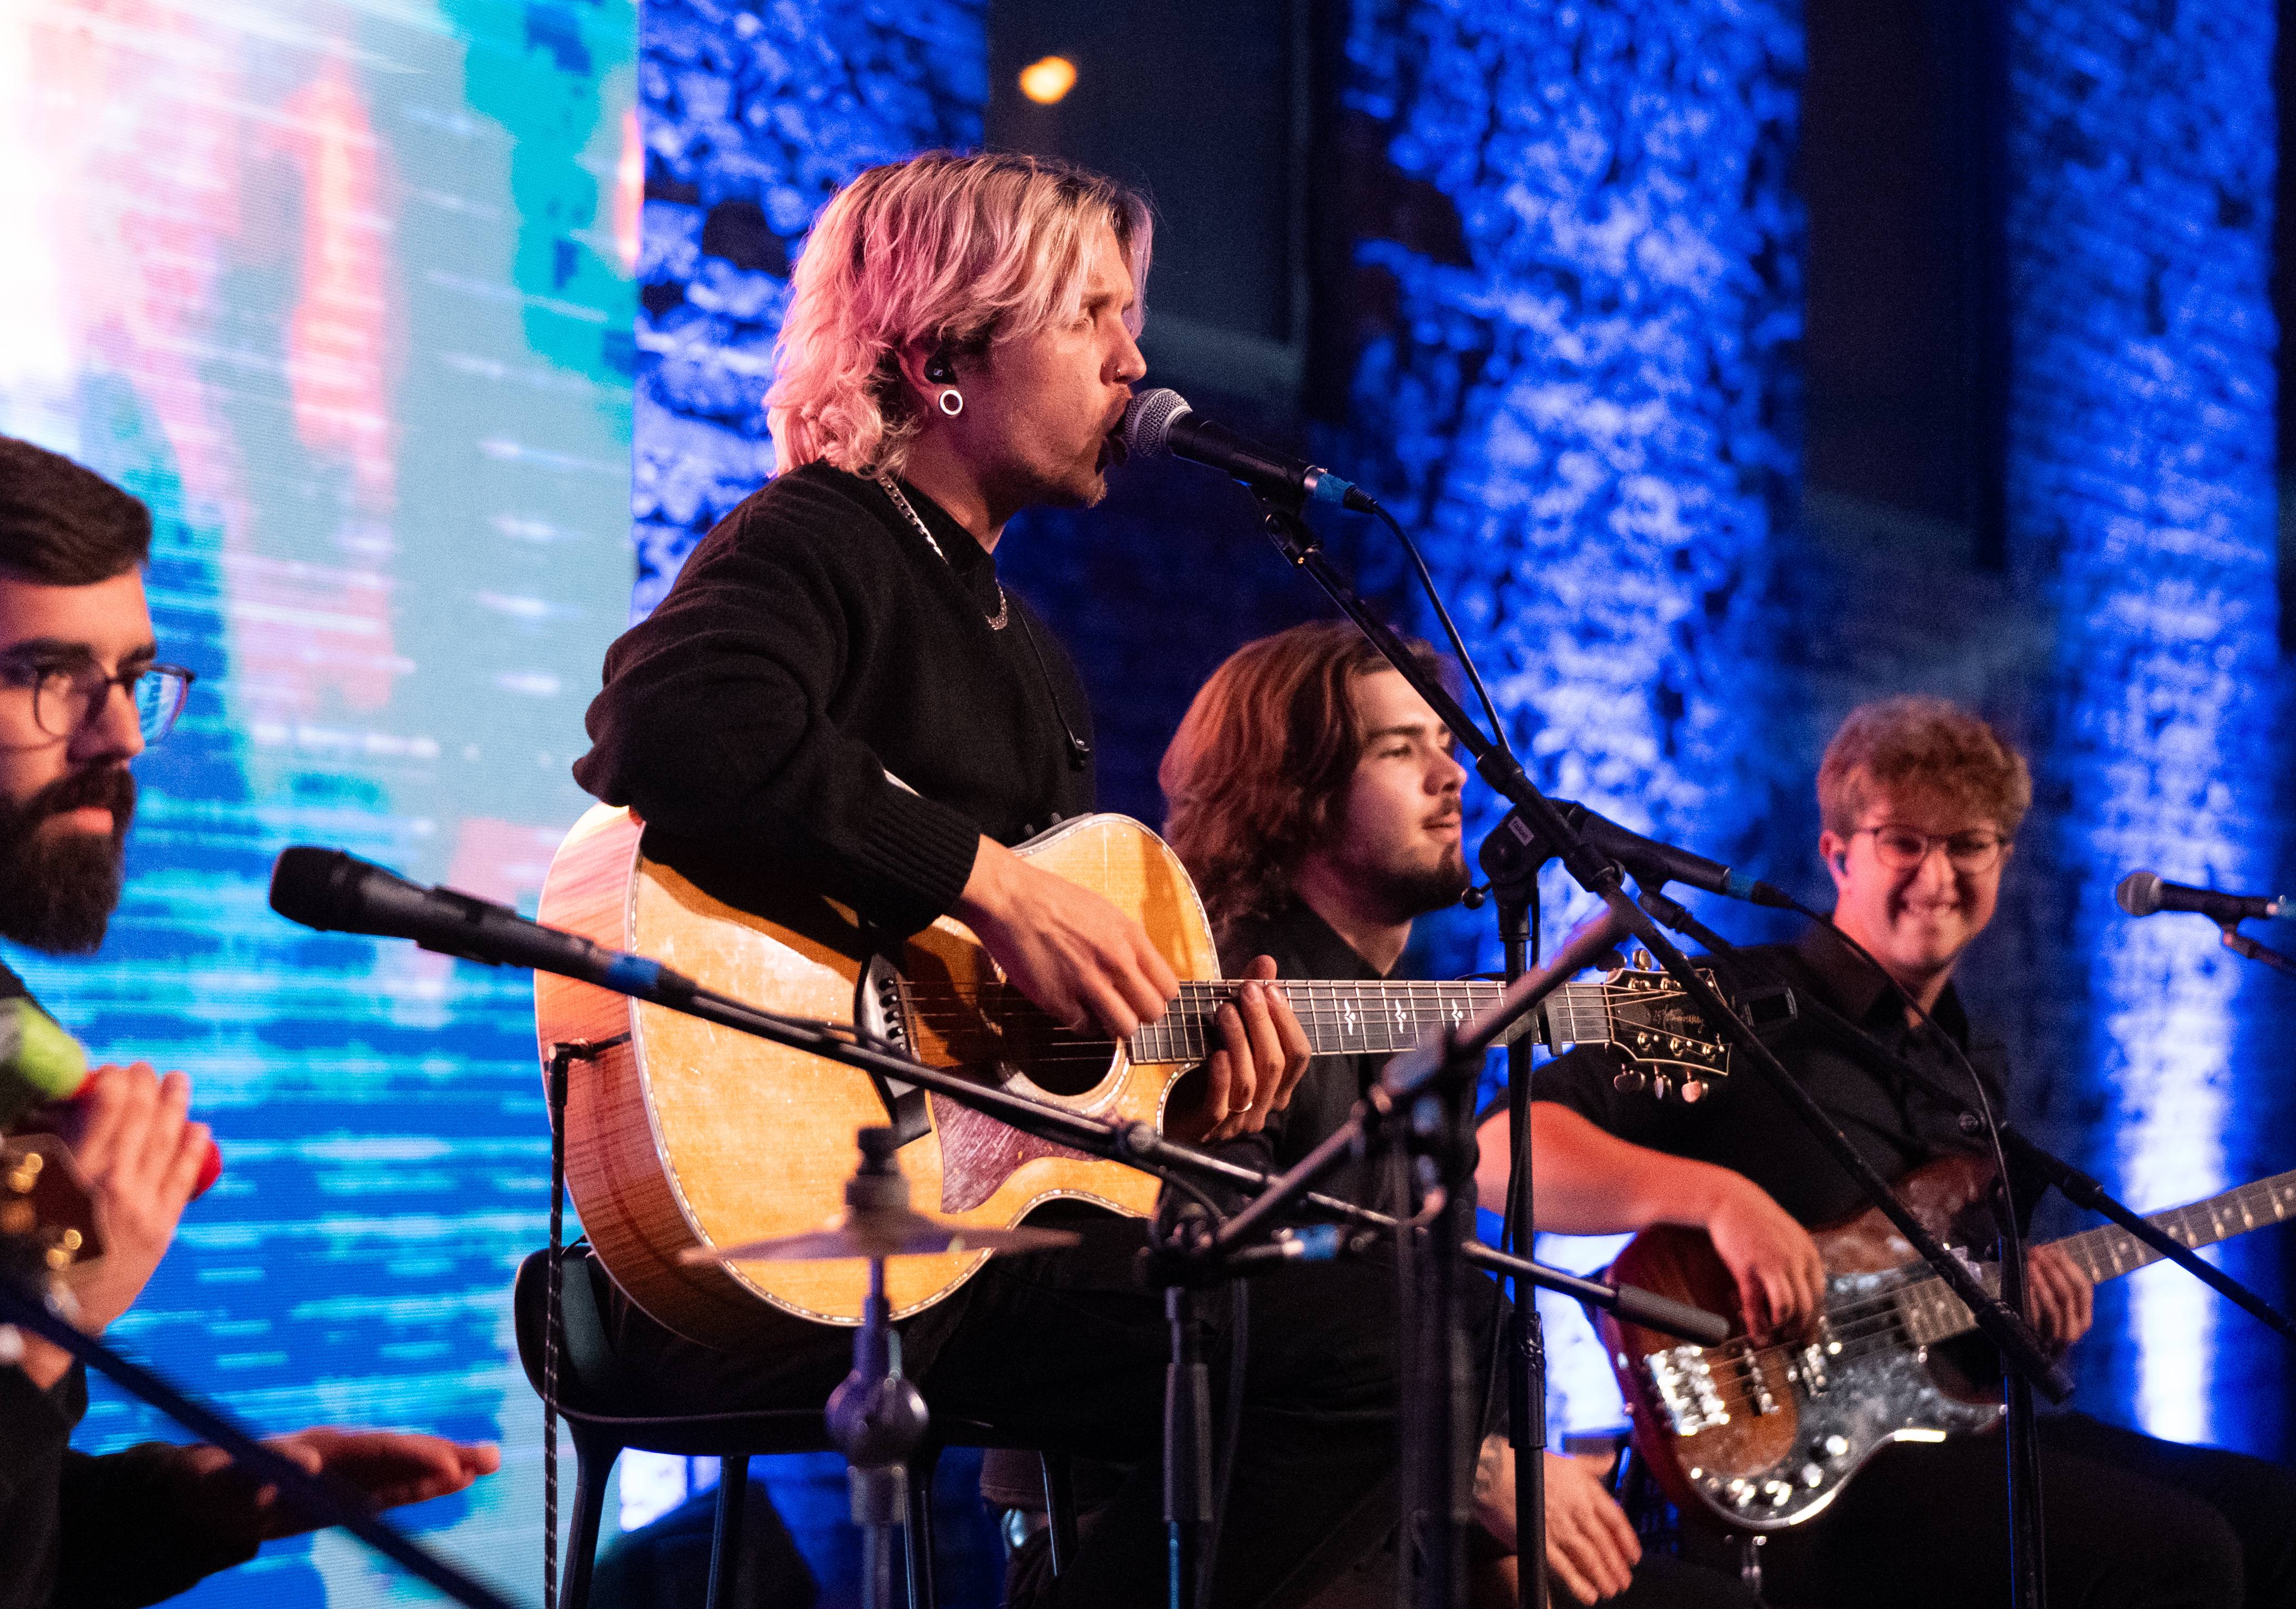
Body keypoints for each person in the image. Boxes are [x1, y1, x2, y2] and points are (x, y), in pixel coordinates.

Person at [570, 151, 1432, 1608]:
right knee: (1374, 1349)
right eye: (1092, 314)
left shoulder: (1027, 651)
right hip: (801, 1233)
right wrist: (987, 885)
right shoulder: (823, 537)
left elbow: (1028, 1082)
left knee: (1374, 1311)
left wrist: (1173, 1107)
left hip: (978, 1239)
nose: (1135, 360)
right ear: (942, 358)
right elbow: (668, 719)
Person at [1478, 695, 2296, 1608]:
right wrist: (1717, 1200)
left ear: (2003, 859)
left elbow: (1939, 1338)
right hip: (1788, 1474)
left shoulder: (1970, 1071)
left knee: (2271, 1514)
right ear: (1839, 854)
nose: (1937, 876)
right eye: (1904, 842)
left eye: (1968, 845)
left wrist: (2019, 1316)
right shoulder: (1729, 1002)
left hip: (1934, 1436)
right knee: (2184, 1556)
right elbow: (1500, 1151)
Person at [0, 431, 499, 1607]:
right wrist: (53, 1314)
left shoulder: (7, 1042)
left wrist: (189, 1507)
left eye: (131, 677)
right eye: (46, 673)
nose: (119, 736)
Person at [1149, 619, 1748, 1609]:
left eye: (1445, 743)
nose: (1452, 777)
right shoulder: (1231, 1001)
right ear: (1294, 795)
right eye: (1399, 750)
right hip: (1231, 1540)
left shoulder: (1406, 1024)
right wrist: (1480, 1474)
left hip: (1389, 1529)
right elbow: (1227, 1329)